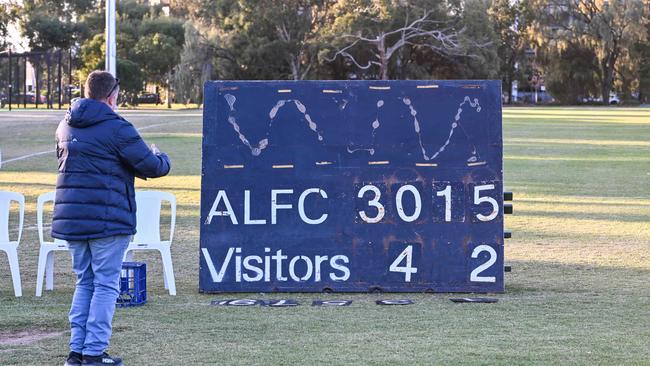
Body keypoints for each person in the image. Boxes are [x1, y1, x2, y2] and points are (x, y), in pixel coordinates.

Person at [53, 71, 171, 366]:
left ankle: (76, 352)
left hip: (73, 217)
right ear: (112, 96)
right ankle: (94, 352)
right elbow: (151, 165)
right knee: (106, 285)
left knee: (85, 282)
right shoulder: (117, 127)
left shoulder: (65, 124)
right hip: (108, 218)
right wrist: (163, 158)